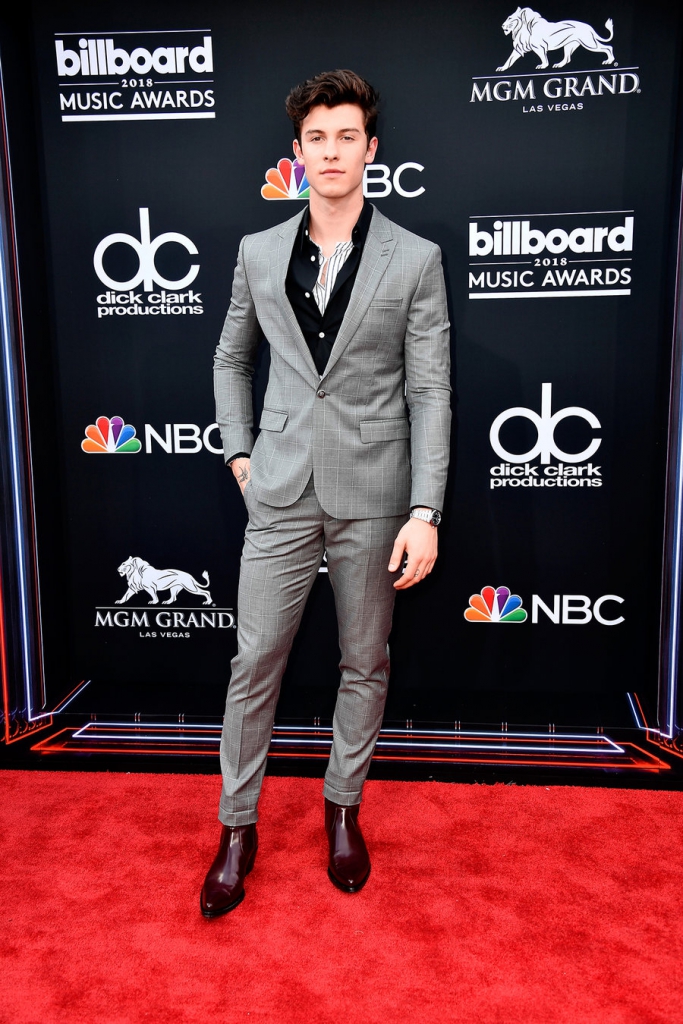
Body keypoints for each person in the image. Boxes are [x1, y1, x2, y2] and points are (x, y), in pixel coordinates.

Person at [201, 69, 451, 917]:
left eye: (348, 136)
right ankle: (238, 827)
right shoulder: (257, 252)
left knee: (364, 663)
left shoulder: (415, 259)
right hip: (275, 488)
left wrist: (425, 510)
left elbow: (430, 392)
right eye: (318, 138)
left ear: (370, 150)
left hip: (376, 493)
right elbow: (232, 359)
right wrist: (239, 455)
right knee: (253, 662)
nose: (332, 150)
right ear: (298, 152)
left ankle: (342, 810)